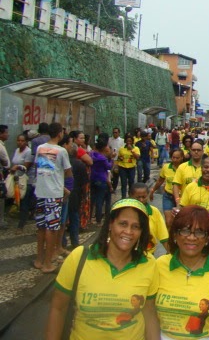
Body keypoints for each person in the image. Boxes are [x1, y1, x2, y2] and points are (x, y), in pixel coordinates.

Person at [46, 198, 160, 339]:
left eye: (136, 227)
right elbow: (58, 308)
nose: (128, 231)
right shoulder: (79, 258)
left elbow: (149, 312)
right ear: (110, 225)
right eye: (123, 224)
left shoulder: (149, 264)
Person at [156, 205, 209, 340]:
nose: (192, 238)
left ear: (207, 238)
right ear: (175, 234)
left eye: (199, 232)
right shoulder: (159, 265)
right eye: (185, 231)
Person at [33, 122, 72, 274]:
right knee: (52, 227)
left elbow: (40, 168)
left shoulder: (40, 148)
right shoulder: (61, 151)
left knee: (41, 226)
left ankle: (39, 259)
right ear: (59, 134)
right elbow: (68, 172)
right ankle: (48, 263)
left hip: (40, 191)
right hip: (54, 193)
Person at [129, 182, 169, 255]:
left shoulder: (154, 212)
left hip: (149, 254)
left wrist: (170, 253)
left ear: (148, 195)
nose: (141, 200)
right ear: (131, 196)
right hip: (129, 254)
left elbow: (163, 234)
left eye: (143, 197)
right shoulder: (126, 213)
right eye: (138, 197)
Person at [150, 148, 184, 227]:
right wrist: (152, 190)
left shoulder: (185, 168)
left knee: (180, 222)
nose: (175, 160)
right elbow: (160, 180)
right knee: (169, 221)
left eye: (177, 158)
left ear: (182, 157)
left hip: (182, 198)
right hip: (168, 196)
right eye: (173, 157)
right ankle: (169, 238)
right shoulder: (166, 167)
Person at [172, 141, 204, 209]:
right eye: (194, 150)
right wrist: (178, 201)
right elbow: (176, 185)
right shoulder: (182, 167)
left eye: (198, 150)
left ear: (202, 152)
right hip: (185, 206)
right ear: (190, 151)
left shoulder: (207, 168)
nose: (196, 152)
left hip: (202, 206)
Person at [89, 136, 113, 226]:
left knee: (92, 200)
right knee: (99, 201)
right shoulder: (103, 158)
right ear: (103, 148)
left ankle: (90, 218)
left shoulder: (92, 154)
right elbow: (109, 167)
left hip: (93, 178)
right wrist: (112, 159)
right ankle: (98, 220)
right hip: (102, 179)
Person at [11, 134, 33, 230]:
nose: (20, 142)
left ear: (26, 141)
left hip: (26, 180)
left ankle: (21, 224)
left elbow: (26, 167)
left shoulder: (28, 152)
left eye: (22, 141)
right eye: (18, 140)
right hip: (16, 178)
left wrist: (17, 167)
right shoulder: (17, 150)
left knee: (24, 201)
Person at [117, 134, 140, 199]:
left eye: (130, 141)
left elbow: (137, 157)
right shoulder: (121, 149)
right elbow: (119, 157)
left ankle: (131, 196)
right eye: (127, 141)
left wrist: (132, 150)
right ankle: (123, 197)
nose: (128, 143)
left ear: (132, 142)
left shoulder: (136, 148)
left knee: (131, 183)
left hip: (131, 168)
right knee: (123, 183)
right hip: (122, 167)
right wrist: (120, 158)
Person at [107, 128, 124, 193]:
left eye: (116, 132)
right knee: (109, 174)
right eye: (114, 132)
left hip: (117, 160)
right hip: (110, 159)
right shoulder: (109, 140)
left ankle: (114, 187)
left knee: (116, 175)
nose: (115, 134)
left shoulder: (122, 141)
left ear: (119, 133)